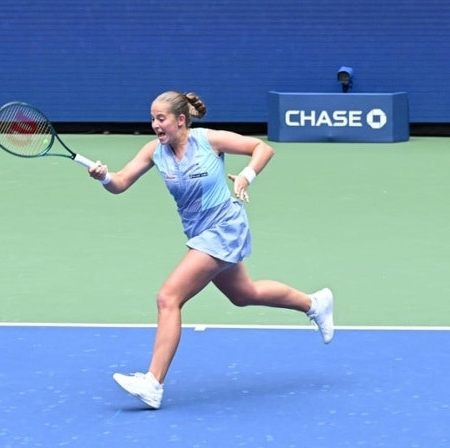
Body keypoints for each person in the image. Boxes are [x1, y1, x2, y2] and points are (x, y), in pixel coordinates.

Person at [87, 90, 334, 409]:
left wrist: (246, 175)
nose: (154, 125)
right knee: (244, 294)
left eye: (160, 119)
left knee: (168, 298)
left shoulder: (208, 140)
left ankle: (153, 383)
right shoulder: (154, 152)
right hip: (200, 234)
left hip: (225, 228)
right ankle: (315, 303)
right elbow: (120, 182)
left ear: (180, 120)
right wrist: (104, 176)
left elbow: (262, 148)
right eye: (152, 119)